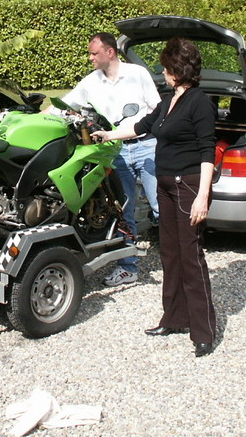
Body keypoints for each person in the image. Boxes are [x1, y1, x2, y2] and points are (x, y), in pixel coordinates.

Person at [92, 36, 218, 357]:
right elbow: (141, 126)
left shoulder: (200, 103)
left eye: (165, 67)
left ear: (177, 69)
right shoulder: (168, 101)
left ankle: (203, 332)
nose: (162, 72)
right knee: (170, 255)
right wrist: (108, 134)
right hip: (165, 186)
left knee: (191, 257)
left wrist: (203, 196)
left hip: (189, 187)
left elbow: (207, 151)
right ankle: (174, 319)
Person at [50, 31, 161, 287]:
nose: (90, 58)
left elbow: (157, 110)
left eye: (94, 53)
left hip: (147, 146)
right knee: (123, 210)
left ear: (110, 52)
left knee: (161, 207)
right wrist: (34, 116)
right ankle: (128, 267)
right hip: (115, 151)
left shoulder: (138, 74)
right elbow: (63, 105)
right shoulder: (91, 81)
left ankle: (179, 260)